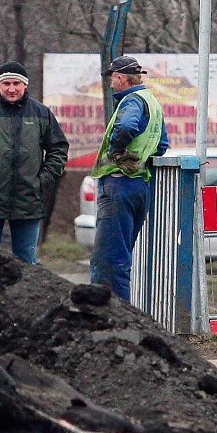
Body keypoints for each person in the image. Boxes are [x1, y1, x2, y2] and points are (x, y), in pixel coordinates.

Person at [0, 61, 69, 264]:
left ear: (25, 85)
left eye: (16, 83)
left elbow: (58, 149)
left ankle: (24, 296)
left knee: (26, 262)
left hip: (28, 201)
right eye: (7, 83)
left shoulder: (41, 114)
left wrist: (42, 180)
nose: (12, 89)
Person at [90, 55, 169, 300]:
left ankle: (111, 319)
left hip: (119, 183)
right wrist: (139, 155)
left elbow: (126, 127)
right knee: (121, 256)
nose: (111, 84)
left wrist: (116, 150)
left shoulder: (131, 101)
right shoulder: (152, 102)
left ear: (121, 78)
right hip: (140, 185)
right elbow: (162, 144)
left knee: (109, 261)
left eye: (113, 79)